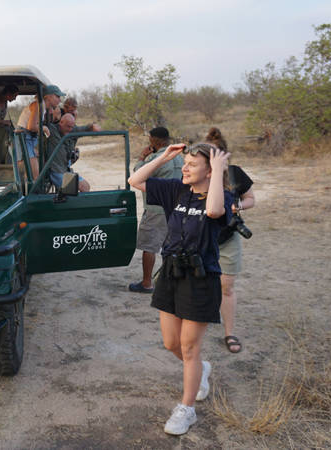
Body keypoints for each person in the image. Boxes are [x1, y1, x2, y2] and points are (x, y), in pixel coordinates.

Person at [128, 142, 233, 436]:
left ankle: (186, 409)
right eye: (184, 163)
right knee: (171, 344)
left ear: (210, 170)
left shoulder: (221, 195)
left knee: (189, 348)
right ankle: (201, 369)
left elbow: (213, 210)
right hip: (172, 274)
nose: (184, 168)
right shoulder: (176, 190)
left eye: (192, 164)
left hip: (201, 278)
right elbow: (135, 181)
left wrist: (219, 171)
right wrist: (164, 157)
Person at [205, 127, 255, 354]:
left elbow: (251, 198)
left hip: (228, 237)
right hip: (204, 236)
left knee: (227, 286)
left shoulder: (236, 174)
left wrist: (239, 206)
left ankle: (229, 332)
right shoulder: (199, 173)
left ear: (225, 155)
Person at [128, 127, 183, 294]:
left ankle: (146, 283)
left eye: (150, 139)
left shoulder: (156, 158)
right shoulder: (178, 158)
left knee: (150, 246)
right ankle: (169, 282)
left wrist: (142, 157)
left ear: (156, 141)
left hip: (155, 208)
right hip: (175, 208)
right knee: (170, 246)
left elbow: (138, 173)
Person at [16, 85, 64, 177]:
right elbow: (31, 126)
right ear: (48, 96)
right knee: (35, 175)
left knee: (32, 174)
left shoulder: (42, 107)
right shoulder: (38, 106)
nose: (59, 100)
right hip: (24, 139)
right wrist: (44, 128)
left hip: (28, 139)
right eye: (57, 96)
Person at [46, 113, 91, 192]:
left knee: (86, 186)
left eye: (71, 127)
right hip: (56, 171)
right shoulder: (52, 130)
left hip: (66, 170)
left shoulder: (69, 132)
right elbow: (39, 126)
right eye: (68, 126)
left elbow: (80, 129)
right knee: (78, 188)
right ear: (61, 122)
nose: (70, 129)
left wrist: (91, 127)